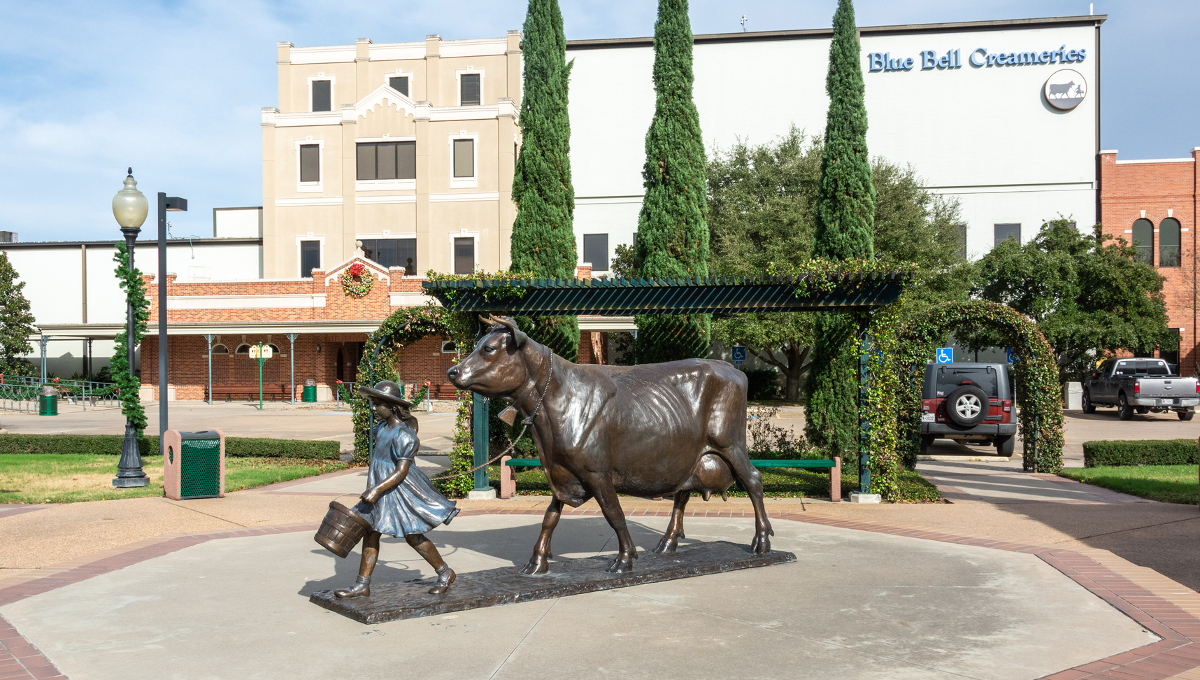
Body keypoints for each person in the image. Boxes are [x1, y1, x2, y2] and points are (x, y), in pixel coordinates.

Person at [335, 380, 459, 598]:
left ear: (392, 406)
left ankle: (445, 572)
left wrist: (376, 489)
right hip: (381, 485)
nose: (373, 408)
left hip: (399, 489)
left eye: (377, 404)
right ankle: (362, 584)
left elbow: (401, 471)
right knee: (371, 532)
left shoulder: (405, 435)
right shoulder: (381, 429)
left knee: (413, 535)